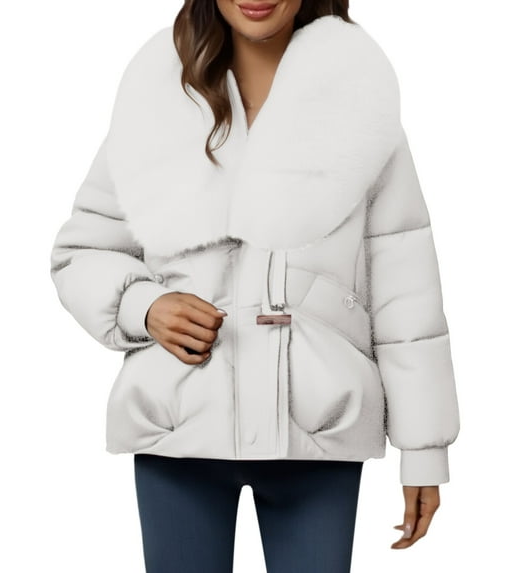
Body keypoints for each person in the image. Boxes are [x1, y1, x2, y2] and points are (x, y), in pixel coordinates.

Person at [49, 1, 461, 571]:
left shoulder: (358, 102)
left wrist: (424, 449)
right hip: (179, 431)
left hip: (319, 432)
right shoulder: (157, 96)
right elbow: (84, 250)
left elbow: (405, 287)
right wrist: (144, 306)